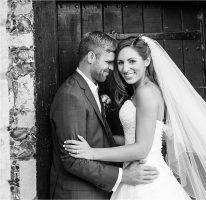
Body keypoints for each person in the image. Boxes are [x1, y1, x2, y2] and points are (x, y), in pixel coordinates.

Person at [63, 36, 206, 200]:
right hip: (138, 175)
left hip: (146, 177)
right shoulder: (142, 91)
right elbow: (134, 138)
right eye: (121, 62)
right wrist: (96, 141)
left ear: (147, 61)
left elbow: (141, 148)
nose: (125, 69)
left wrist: (92, 153)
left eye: (132, 61)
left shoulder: (146, 93)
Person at [49, 32, 158, 199]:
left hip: (126, 182)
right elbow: (72, 159)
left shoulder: (90, 89)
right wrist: (123, 175)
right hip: (79, 194)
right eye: (109, 62)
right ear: (91, 57)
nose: (114, 68)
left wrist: (94, 151)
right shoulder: (70, 95)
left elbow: (98, 139)